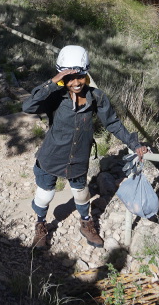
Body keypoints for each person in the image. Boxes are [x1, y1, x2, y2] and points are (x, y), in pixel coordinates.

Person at [22, 45, 149, 249]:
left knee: (81, 193)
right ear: (61, 77)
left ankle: (86, 223)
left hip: (79, 156)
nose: (75, 82)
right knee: (45, 195)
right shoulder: (55, 97)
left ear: (86, 73)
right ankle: (40, 224)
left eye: (80, 76)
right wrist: (53, 82)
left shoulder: (96, 97)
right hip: (52, 155)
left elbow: (113, 123)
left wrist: (134, 144)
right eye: (69, 78)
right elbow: (28, 106)